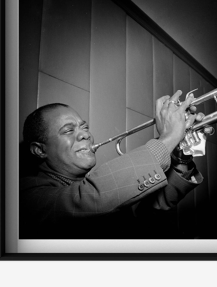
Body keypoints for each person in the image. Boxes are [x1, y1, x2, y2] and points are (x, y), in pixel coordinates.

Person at [19, 90, 205, 239]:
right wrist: (168, 138)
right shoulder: (26, 197)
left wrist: (181, 155)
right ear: (39, 150)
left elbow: (151, 207)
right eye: (68, 130)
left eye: (85, 127)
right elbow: (88, 199)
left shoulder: (105, 188)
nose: (86, 134)